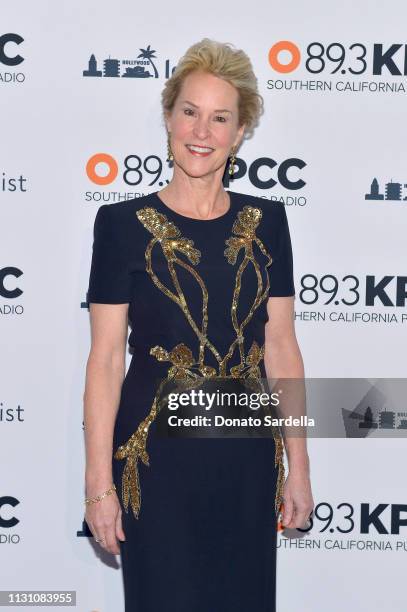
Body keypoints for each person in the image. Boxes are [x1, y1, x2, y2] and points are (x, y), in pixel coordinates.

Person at [83, 38, 314, 612]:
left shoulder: (268, 222)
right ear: (168, 117)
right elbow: (107, 359)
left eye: (220, 118)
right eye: (190, 112)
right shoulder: (121, 225)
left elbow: (281, 348)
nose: (201, 132)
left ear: (239, 134)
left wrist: (299, 468)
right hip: (152, 460)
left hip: (246, 458)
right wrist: (98, 485)